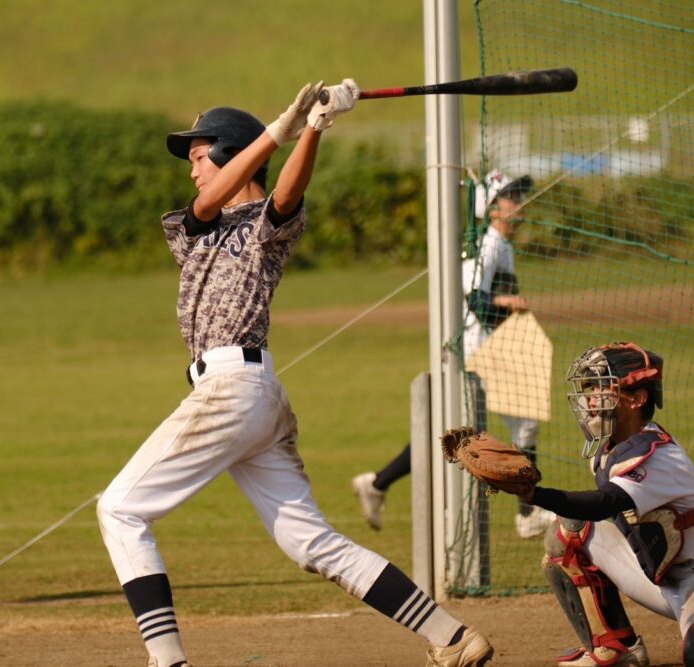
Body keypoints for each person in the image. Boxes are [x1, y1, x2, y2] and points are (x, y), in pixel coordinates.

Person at [95, 81, 495, 667]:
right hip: (247, 397)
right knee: (311, 543)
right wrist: (280, 130)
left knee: (120, 509)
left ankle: (167, 661)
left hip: (234, 390)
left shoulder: (267, 224)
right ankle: (452, 637)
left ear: (230, 153)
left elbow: (285, 192)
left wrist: (313, 127)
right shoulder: (196, 224)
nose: (191, 170)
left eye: (200, 156)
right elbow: (211, 205)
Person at [352, 169, 556, 538]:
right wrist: (508, 302)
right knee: (514, 424)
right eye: (512, 196)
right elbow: (475, 299)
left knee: (451, 432)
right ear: (492, 207)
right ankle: (528, 513)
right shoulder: (489, 246)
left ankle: (378, 483)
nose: (520, 203)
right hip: (478, 353)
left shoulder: (499, 245)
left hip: (486, 352)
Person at [514, 342, 694, 666]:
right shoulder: (609, 450)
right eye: (591, 388)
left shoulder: (660, 456)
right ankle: (615, 648)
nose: (591, 398)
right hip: (661, 579)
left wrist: (534, 495)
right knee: (568, 534)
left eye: (604, 388)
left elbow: (605, 503)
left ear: (637, 399)